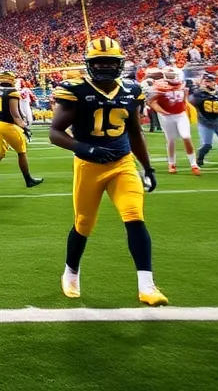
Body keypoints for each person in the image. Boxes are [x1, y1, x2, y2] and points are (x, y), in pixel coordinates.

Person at [48, 37, 167, 306]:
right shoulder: (75, 90)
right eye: (98, 62)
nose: (104, 67)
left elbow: (136, 132)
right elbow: (55, 133)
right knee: (84, 224)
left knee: (134, 216)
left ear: (119, 64)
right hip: (89, 166)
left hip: (122, 163)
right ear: (89, 65)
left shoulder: (131, 91)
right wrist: (87, 149)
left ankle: (147, 286)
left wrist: (147, 167)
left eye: (109, 62)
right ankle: (71, 273)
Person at [0, 70, 44, 191]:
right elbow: (14, 114)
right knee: (21, 151)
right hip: (6, 125)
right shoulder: (12, 92)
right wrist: (24, 128)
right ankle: (28, 180)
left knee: (0, 151)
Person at [149, 66, 199, 175]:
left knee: (186, 136)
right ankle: (171, 163)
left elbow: (184, 97)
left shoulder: (182, 84)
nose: (171, 78)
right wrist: (162, 111)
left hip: (180, 114)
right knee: (171, 140)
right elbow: (152, 102)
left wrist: (186, 106)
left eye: (172, 75)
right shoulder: (159, 86)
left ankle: (194, 164)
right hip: (167, 116)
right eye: (169, 75)